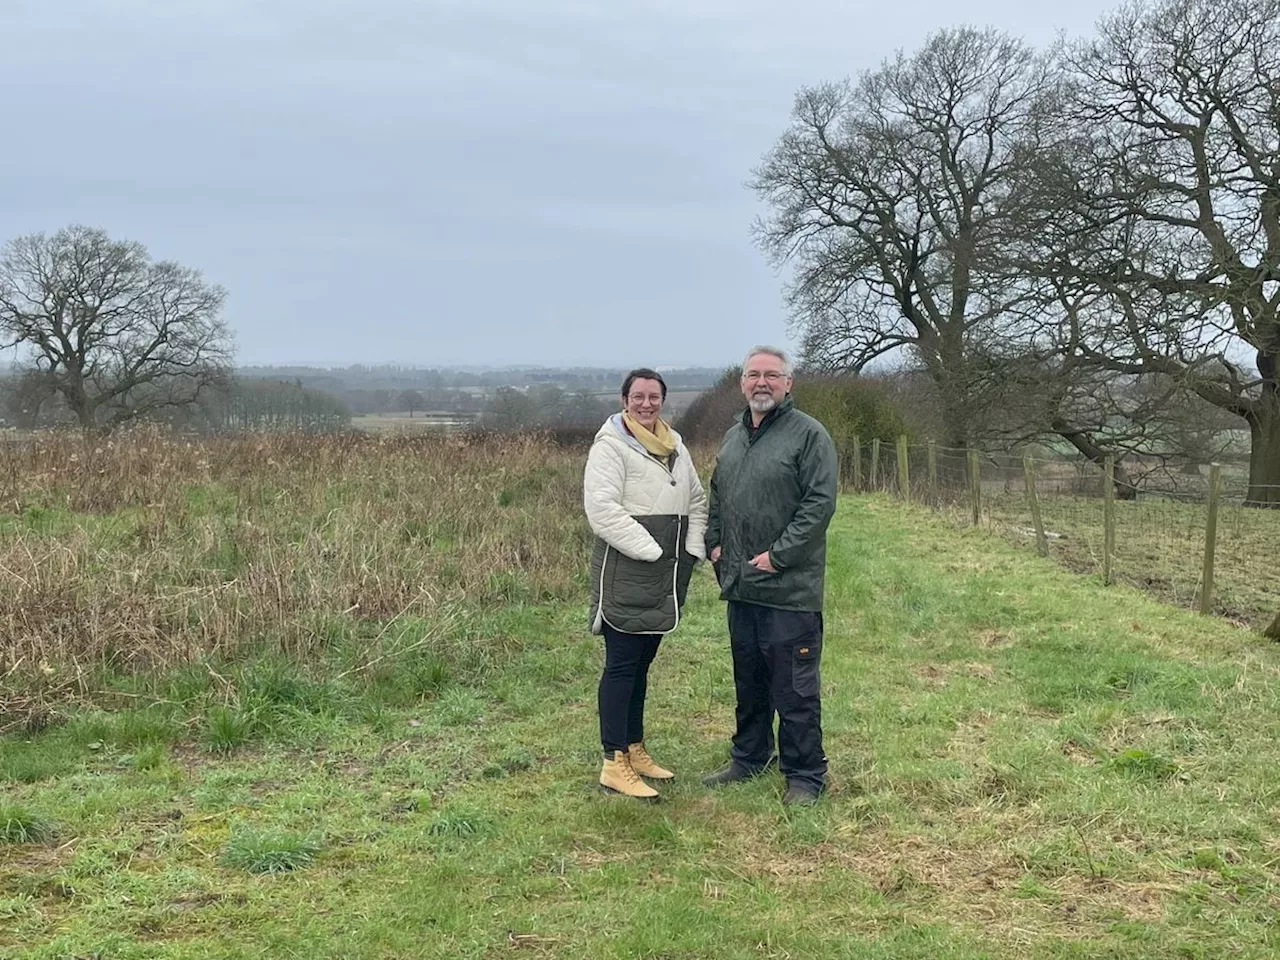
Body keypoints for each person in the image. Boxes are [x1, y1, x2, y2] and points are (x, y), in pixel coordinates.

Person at [702, 346, 838, 806]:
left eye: (772, 376)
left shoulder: (809, 436)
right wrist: (715, 543)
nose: (762, 383)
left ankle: (805, 775)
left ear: (788, 383)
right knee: (750, 680)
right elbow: (718, 494)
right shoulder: (733, 436)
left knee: (794, 688)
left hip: (788, 589)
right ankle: (749, 756)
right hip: (741, 585)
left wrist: (779, 557)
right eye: (753, 375)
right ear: (741, 383)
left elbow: (818, 506)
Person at [584, 368, 708, 801]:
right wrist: (653, 550)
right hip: (629, 569)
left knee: (642, 663)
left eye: (654, 397)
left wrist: (690, 550)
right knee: (621, 665)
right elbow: (601, 509)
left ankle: (634, 748)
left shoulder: (676, 445)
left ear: (663, 400)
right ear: (624, 400)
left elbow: (695, 498)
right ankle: (612, 762)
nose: (646, 403)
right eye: (638, 396)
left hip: (667, 572)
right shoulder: (611, 446)